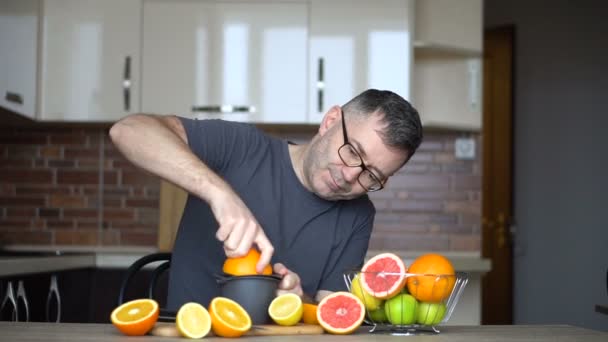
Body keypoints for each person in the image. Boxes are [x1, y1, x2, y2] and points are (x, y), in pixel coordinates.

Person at [109, 89, 422, 310]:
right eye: (353, 151)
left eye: (372, 176)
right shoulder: (242, 147)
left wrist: (300, 302)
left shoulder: (359, 214)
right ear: (329, 121)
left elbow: (332, 312)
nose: (352, 176)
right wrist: (221, 194)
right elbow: (128, 130)